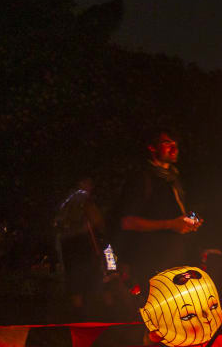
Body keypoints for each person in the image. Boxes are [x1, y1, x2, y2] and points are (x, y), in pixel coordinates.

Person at [118, 131, 202, 289]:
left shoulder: (174, 177)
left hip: (181, 259)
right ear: (152, 147)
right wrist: (170, 224)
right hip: (154, 265)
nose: (174, 149)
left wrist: (192, 220)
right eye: (167, 143)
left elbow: (178, 213)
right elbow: (127, 222)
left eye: (175, 145)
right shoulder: (141, 178)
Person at [54, 177, 106, 313]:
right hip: (84, 252)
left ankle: (79, 316)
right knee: (90, 287)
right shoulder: (82, 200)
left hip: (72, 252)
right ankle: (89, 318)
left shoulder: (66, 202)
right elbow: (98, 222)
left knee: (76, 288)